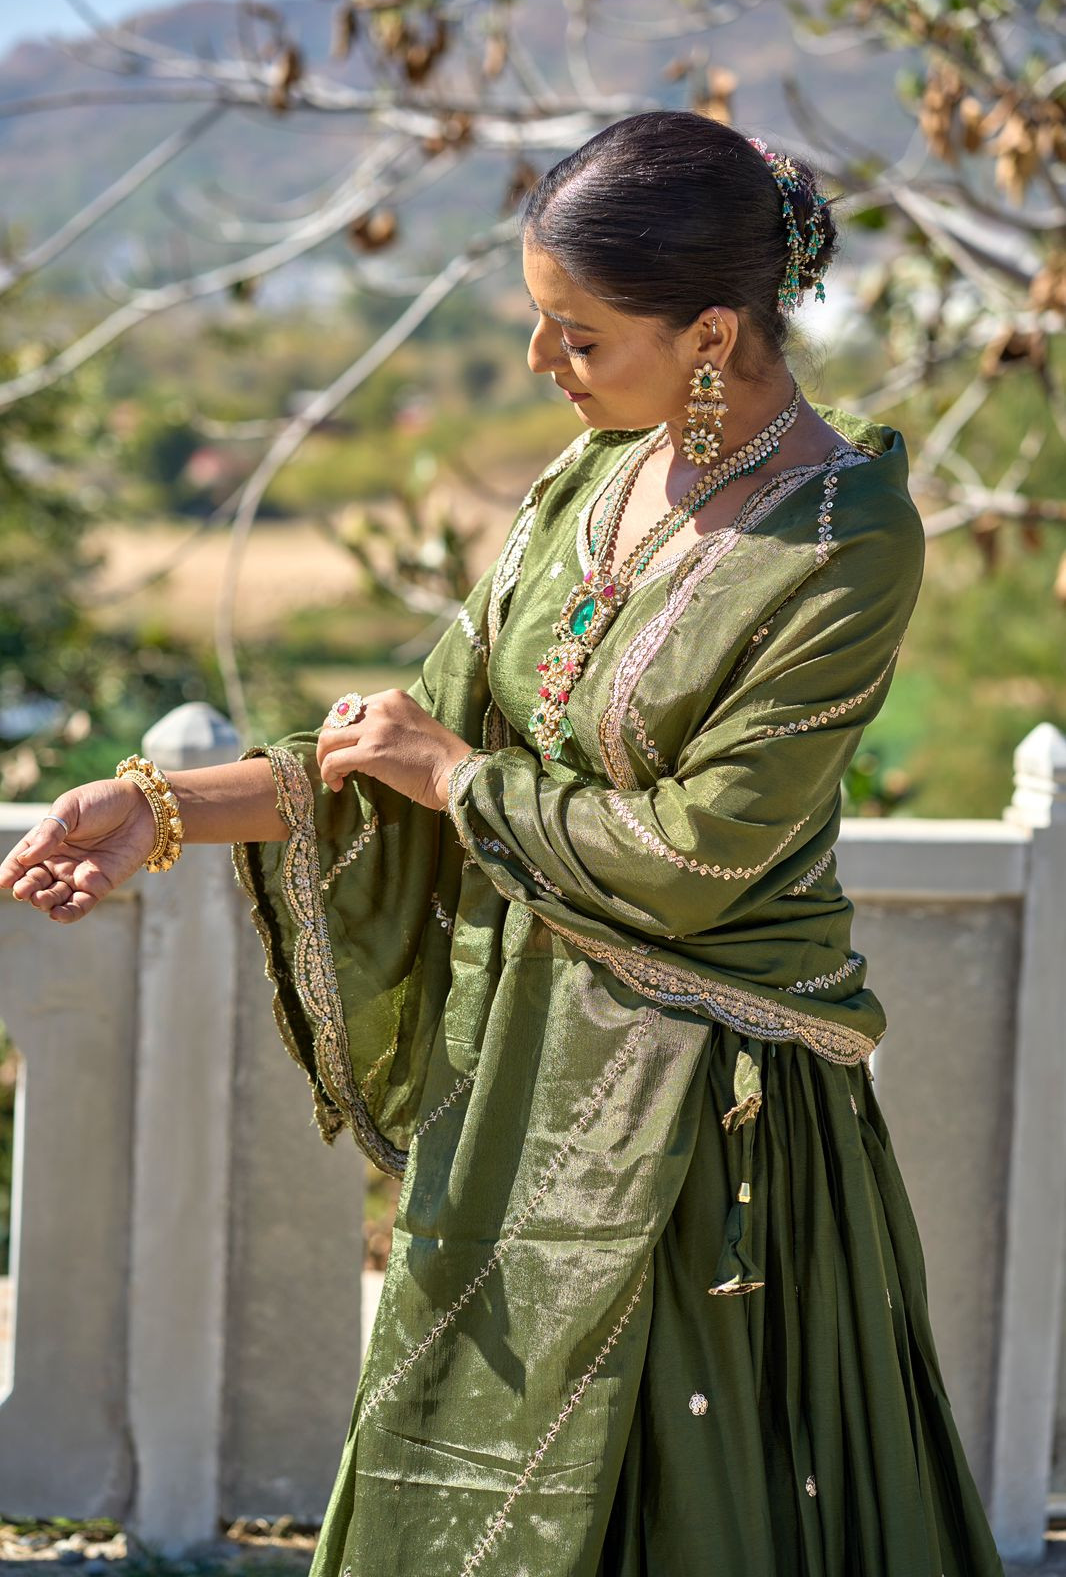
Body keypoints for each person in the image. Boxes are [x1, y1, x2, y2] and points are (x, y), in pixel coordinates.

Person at [0, 111, 1004, 1576]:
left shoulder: (844, 537)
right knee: (464, 1467)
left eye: (578, 336)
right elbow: (404, 746)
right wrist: (157, 809)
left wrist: (460, 777)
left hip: (701, 1115)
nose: (542, 363)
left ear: (712, 335)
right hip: (516, 1077)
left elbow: (700, 855)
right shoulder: (591, 482)